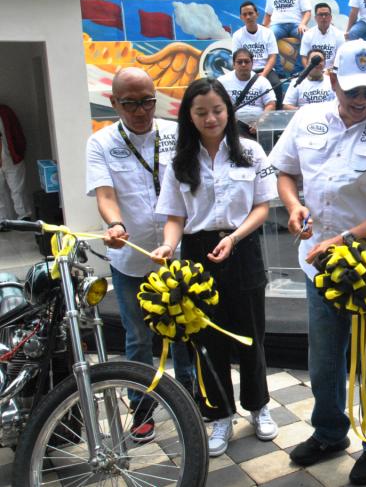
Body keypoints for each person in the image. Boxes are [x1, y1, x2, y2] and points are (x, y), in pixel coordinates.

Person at [268, 39, 366, 485]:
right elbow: (285, 173)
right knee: (324, 358)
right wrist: (293, 205)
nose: (360, 101)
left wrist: (344, 240)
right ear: (333, 80)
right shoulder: (307, 118)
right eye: (352, 91)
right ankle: (330, 432)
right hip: (318, 265)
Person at [151, 78, 278, 457]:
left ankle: (258, 407)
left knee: (251, 334)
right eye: (201, 112)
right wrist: (168, 245)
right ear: (189, 116)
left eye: (218, 110)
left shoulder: (251, 152)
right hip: (196, 254)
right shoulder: (179, 161)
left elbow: (262, 207)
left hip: (242, 248)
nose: (211, 118)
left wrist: (235, 237)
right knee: (206, 342)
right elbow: (175, 215)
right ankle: (220, 415)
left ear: (229, 111)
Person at [85, 67, 194, 443]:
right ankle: (142, 409)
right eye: (129, 103)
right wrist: (114, 224)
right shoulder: (100, 143)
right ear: (114, 102)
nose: (140, 111)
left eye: (147, 101)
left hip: (177, 253)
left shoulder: (175, 134)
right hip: (130, 259)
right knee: (139, 338)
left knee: (183, 331)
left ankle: (191, 403)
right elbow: (105, 194)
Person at [232, 1, 283, 108]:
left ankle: (277, 114)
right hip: (246, 69)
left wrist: (263, 74)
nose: (248, 17)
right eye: (245, 14)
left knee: (276, 85)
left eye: (250, 13)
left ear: (257, 14)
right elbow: (237, 58)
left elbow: (272, 57)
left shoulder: (268, 33)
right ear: (241, 17)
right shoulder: (237, 35)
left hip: (266, 69)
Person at [217, 48, 276, 138]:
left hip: (258, 124)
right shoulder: (222, 81)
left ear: (252, 64)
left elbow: (271, 104)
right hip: (233, 123)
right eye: (239, 62)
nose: (243, 65)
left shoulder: (262, 81)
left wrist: (260, 122)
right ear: (233, 64)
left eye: (246, 61)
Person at [0, 104, 33, 221]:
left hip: (11, 158)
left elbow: (17, 131)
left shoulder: (5, 111)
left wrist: (19, 152)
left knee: (18, 190)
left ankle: (24, 217)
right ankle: (3, 220)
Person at [300, 2, 345, 69]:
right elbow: (304, 57)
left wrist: (330, 72)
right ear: (315, 18)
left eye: (326, 14)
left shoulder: (339, 34)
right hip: (312, 71)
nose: (324, 17)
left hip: (332, 72)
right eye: (321, 15)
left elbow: (340, 58)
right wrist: (309, 71)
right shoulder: (308, 34)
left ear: (331, 17)